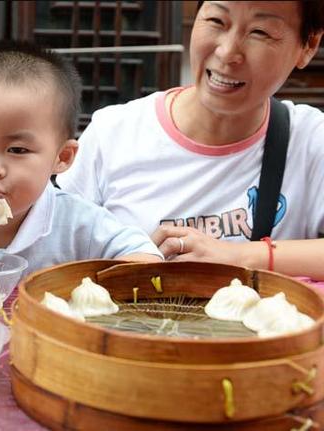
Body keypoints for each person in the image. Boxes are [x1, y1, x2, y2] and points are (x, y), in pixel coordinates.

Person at [57, 1, 324, 279]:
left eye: (260, 32)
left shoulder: (311, 141)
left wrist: (239, 256)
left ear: (309, 45)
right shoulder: (113, 134)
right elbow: (54, 247)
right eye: (217, 21)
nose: (227, 52)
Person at [0, 41, 162, 288]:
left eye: (17, 150)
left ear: (62, 157)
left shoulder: (78, 223)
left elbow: (148, 265)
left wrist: (88, 288)